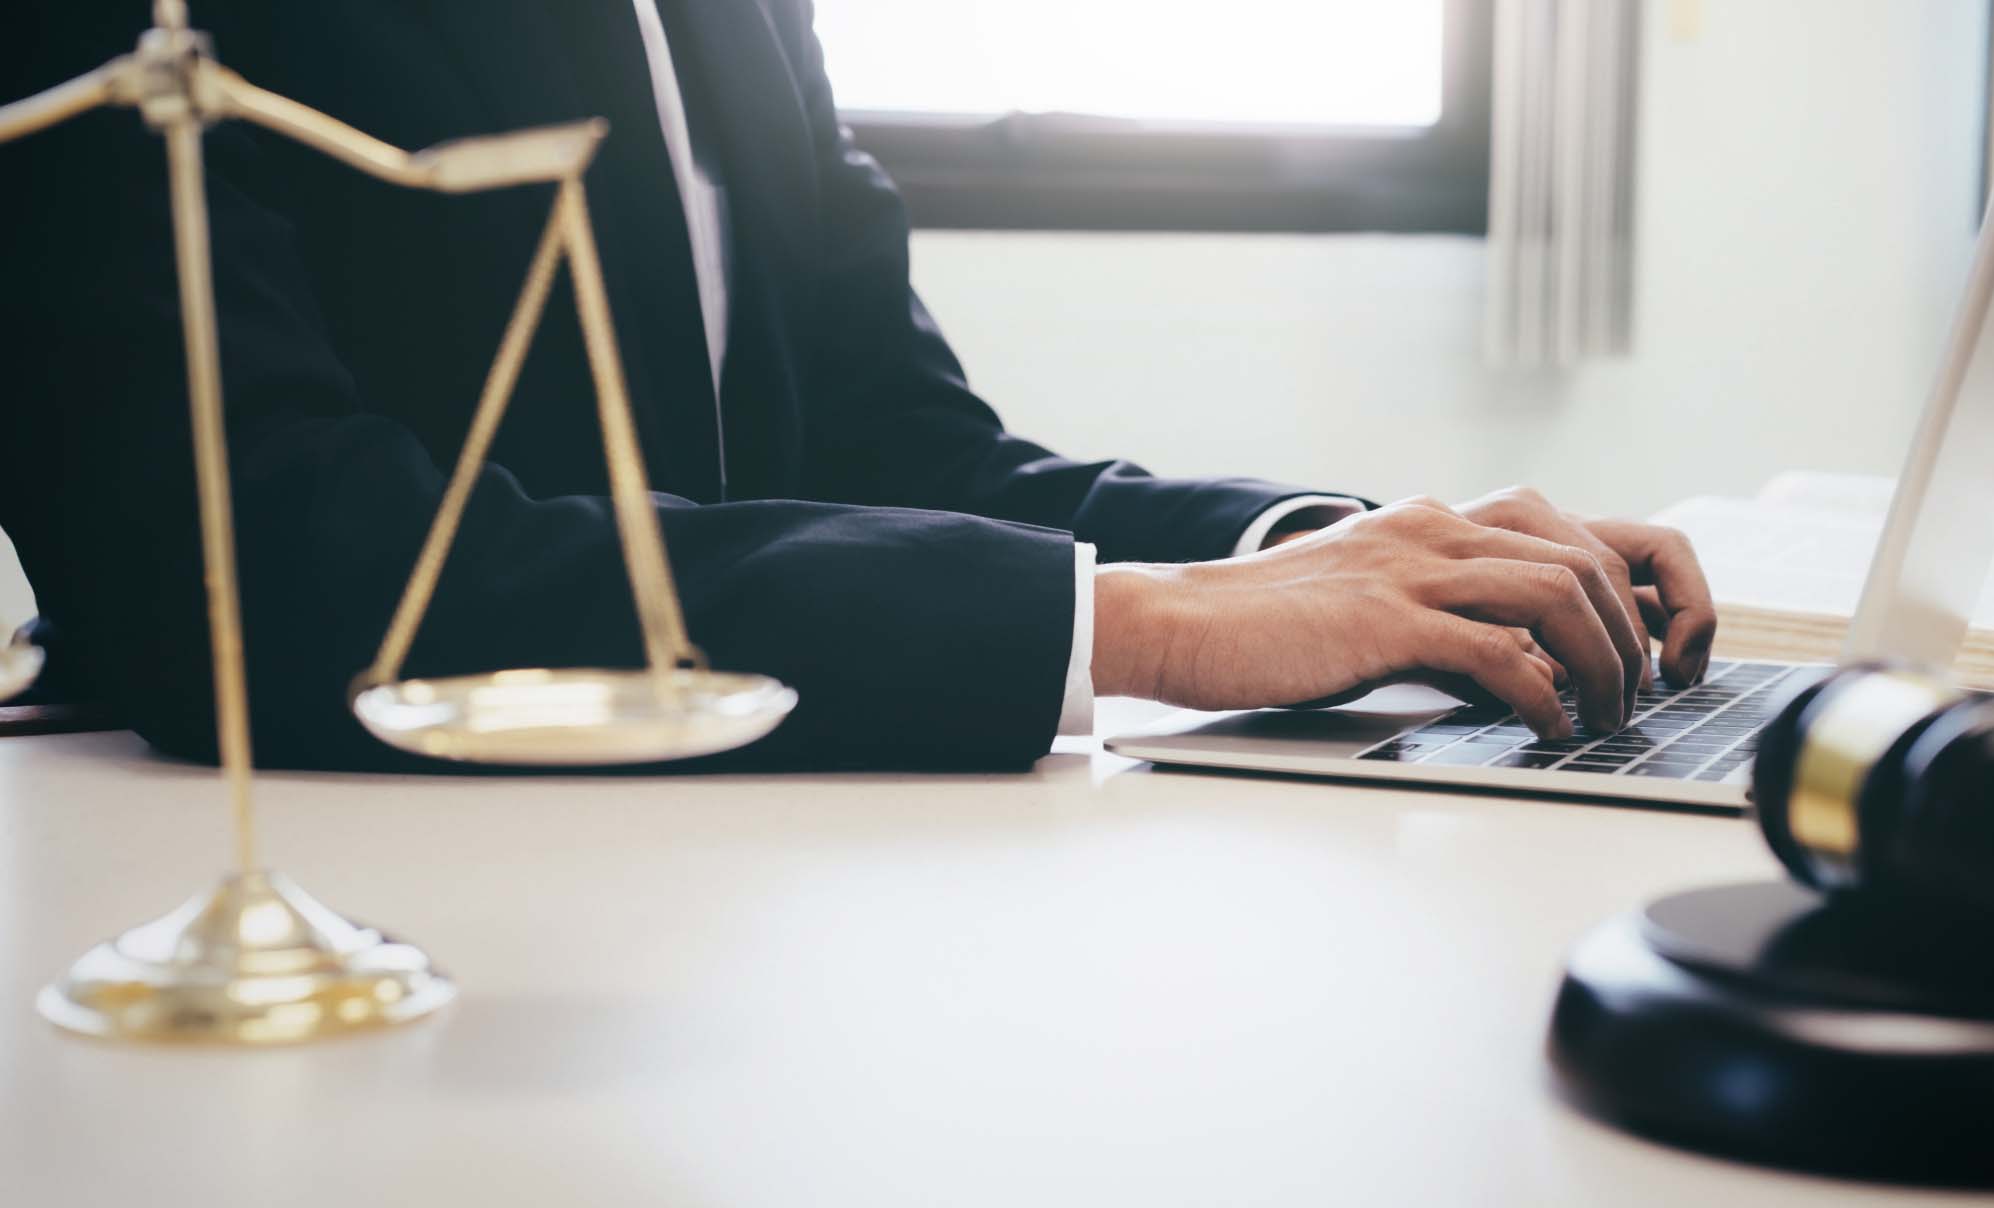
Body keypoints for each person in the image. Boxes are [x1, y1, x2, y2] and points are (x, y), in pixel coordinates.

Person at [0, 2, 1714, 772]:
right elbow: (256, 561)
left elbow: (892, 440)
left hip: (741, 898)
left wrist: (1342, 555)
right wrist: (1148, 627)